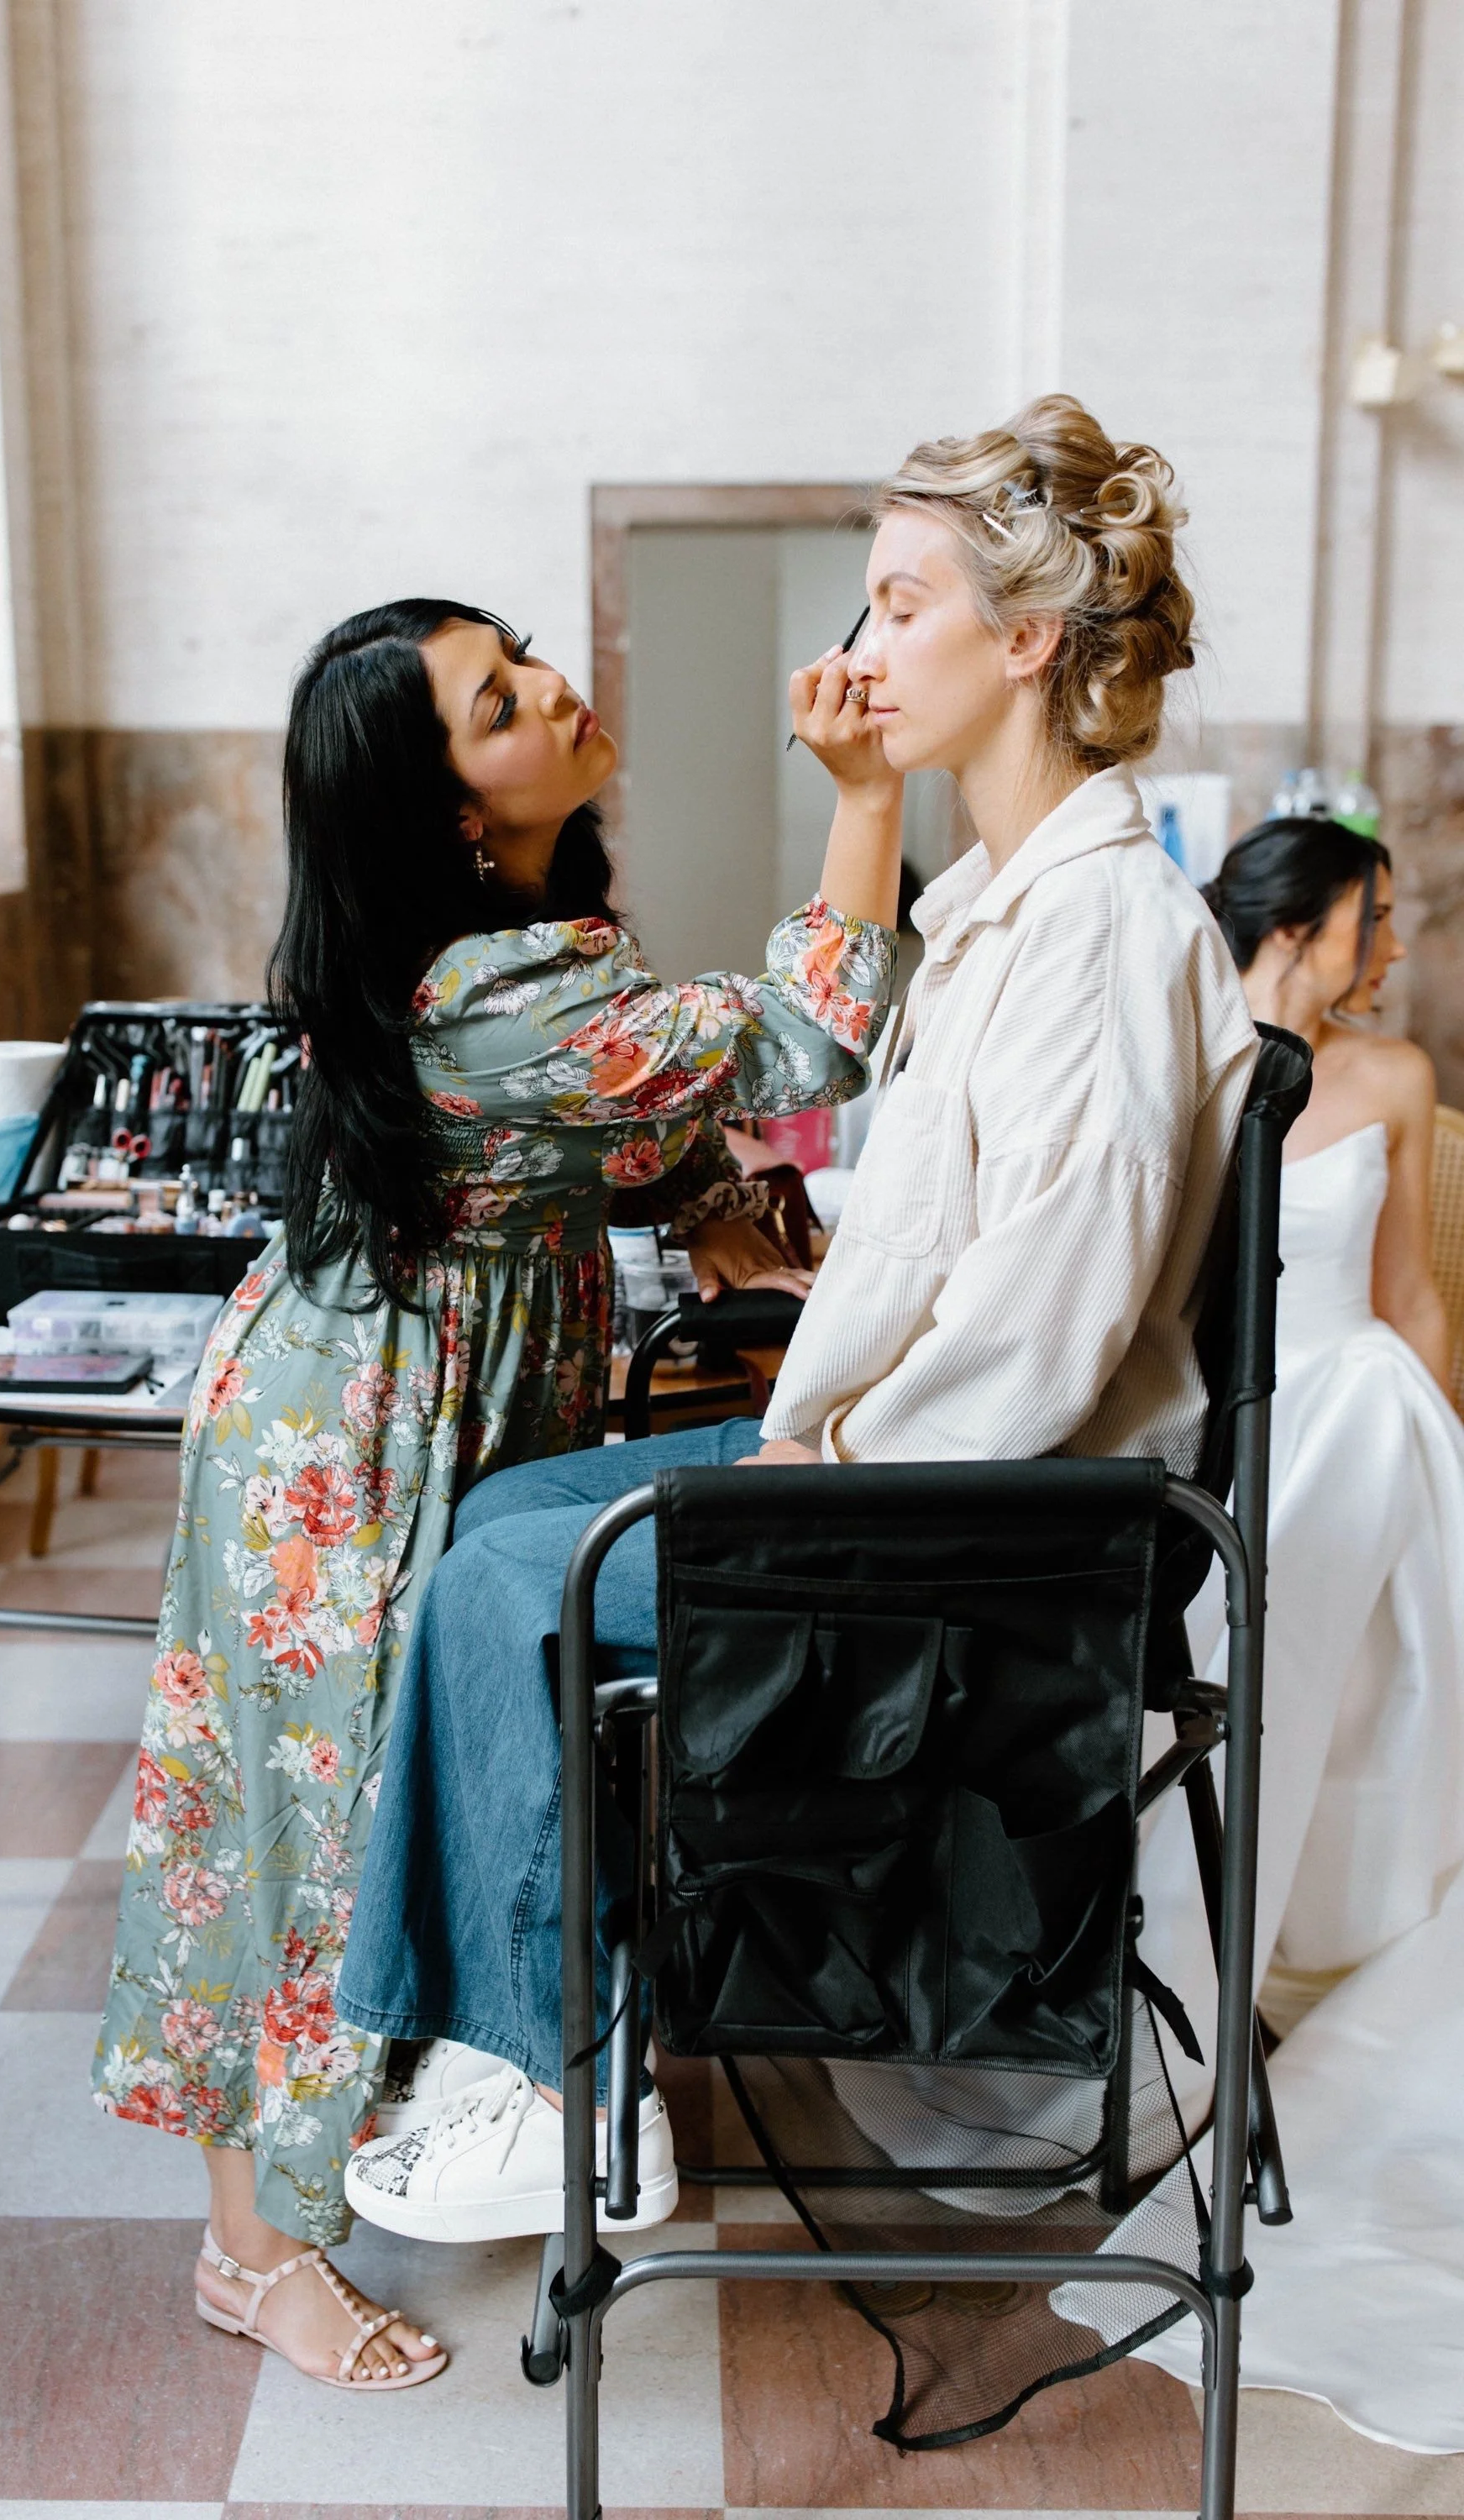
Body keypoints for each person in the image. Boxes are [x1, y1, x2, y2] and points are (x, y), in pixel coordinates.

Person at [335, 395, 1258, 2247]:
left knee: (516, 1581)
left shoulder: (1101, 929)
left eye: (900, 605)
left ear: (1029, 640)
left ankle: (563, 2087)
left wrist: (810, 1462)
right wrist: (808, 1330)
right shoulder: (997, 908)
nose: (856, 650)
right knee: (497, 1520)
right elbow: (967, 1242)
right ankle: (528, 2046)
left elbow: (1045, 1334)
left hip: (1005, 1526)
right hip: (922, 1473)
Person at [91, 597, 899, 2391]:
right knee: (302, 1826)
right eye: (496, 699)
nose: (550, 687)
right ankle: (255, 2259)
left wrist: (704, 1199)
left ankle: (415, 2119)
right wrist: (864, 794)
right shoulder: (490, 988)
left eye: (520, 653)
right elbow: (799, 1046)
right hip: (355, 1434)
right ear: (453, 808)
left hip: (424, 1391)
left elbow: (633, 1123)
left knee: (386, 1786)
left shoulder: (518, 951)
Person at [1095, 817, 1464, 2454]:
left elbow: (1410, 1301)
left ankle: (1352, 1942)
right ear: (1304, 925)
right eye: (1375, 918)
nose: (1393, 947)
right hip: (1226, 1426)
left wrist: (1450, 1443)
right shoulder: (1179, 1060)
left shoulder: (1391, 1075)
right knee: (1238, 1657)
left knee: (1383, 1659)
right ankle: (1214, 1959)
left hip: (1362, 1407)